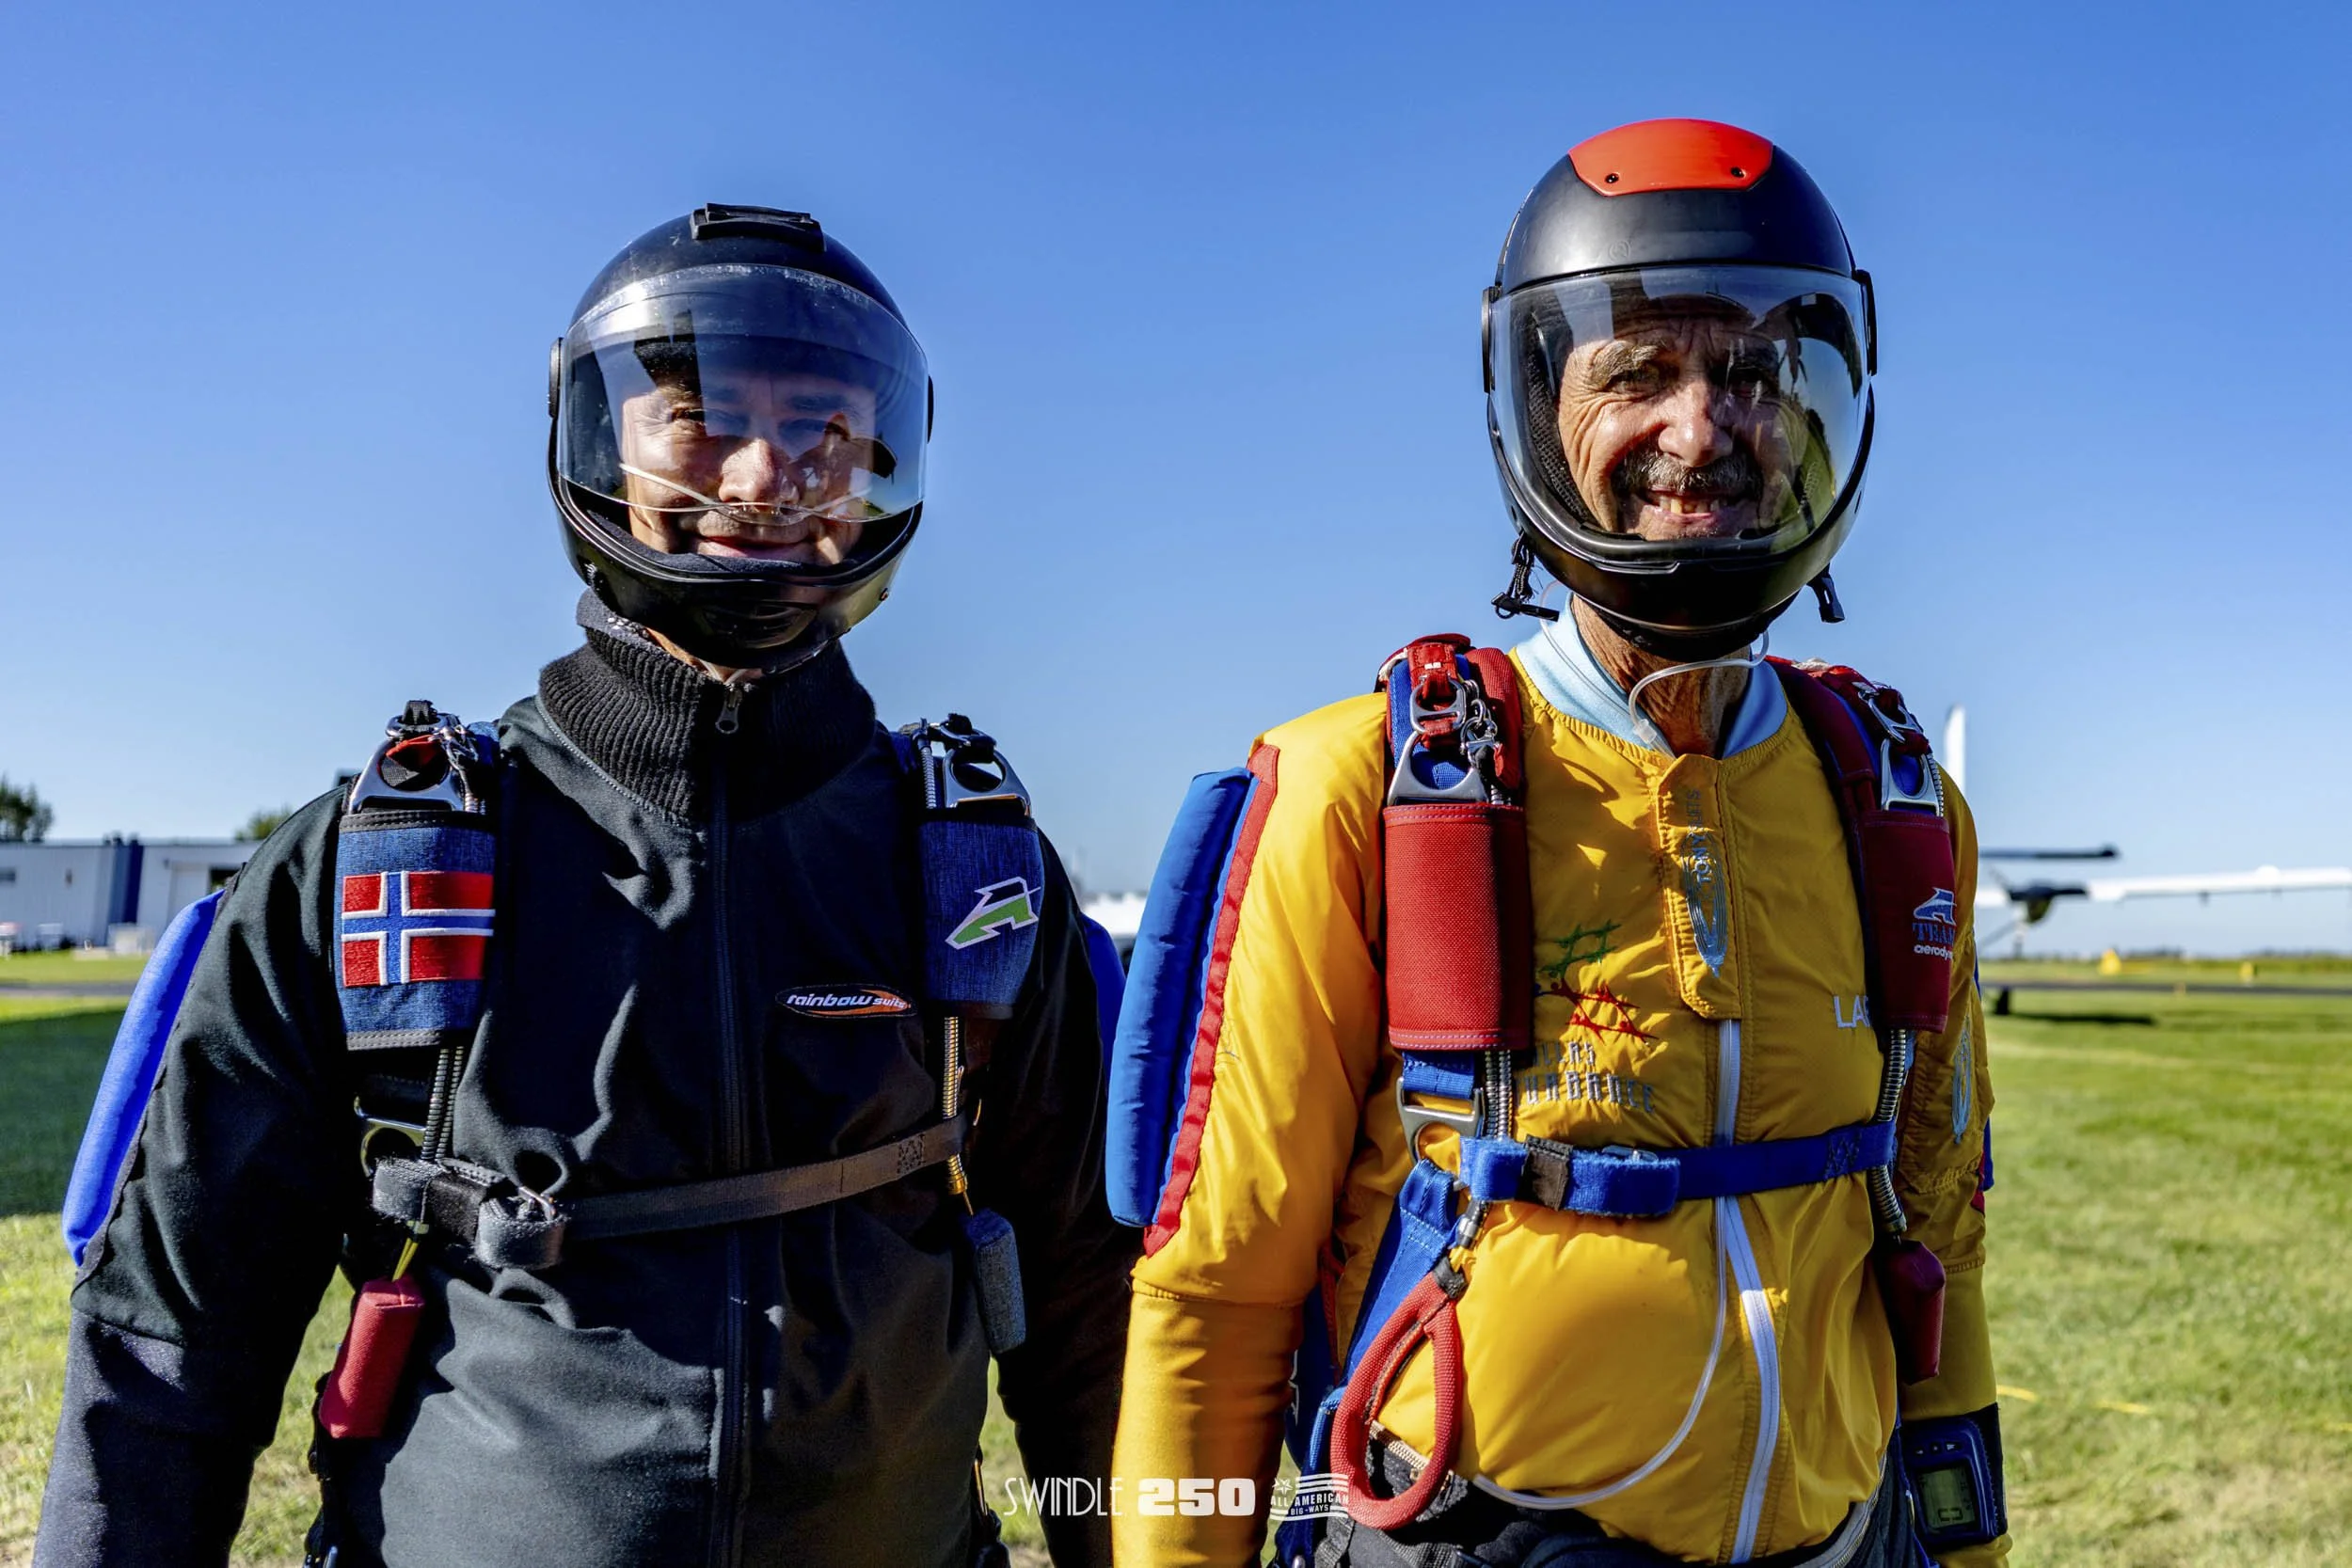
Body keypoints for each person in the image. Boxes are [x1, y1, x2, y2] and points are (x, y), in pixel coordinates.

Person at [36, 203, 1134, 1568]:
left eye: (823, 426)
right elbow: (171, 1337)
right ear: (597, 430)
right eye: (699, 412)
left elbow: (1097, 1319)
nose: (763, 471)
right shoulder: (381, 868)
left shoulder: (977, 878)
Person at [1110, 121, 2009, 1566]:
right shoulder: (1372, 793)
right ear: (1538, 406)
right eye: (1639, 372)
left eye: (1756, 370)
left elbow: (1940, 1252)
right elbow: (1212, 1305)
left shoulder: (1899, 810)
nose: (1703, 429)